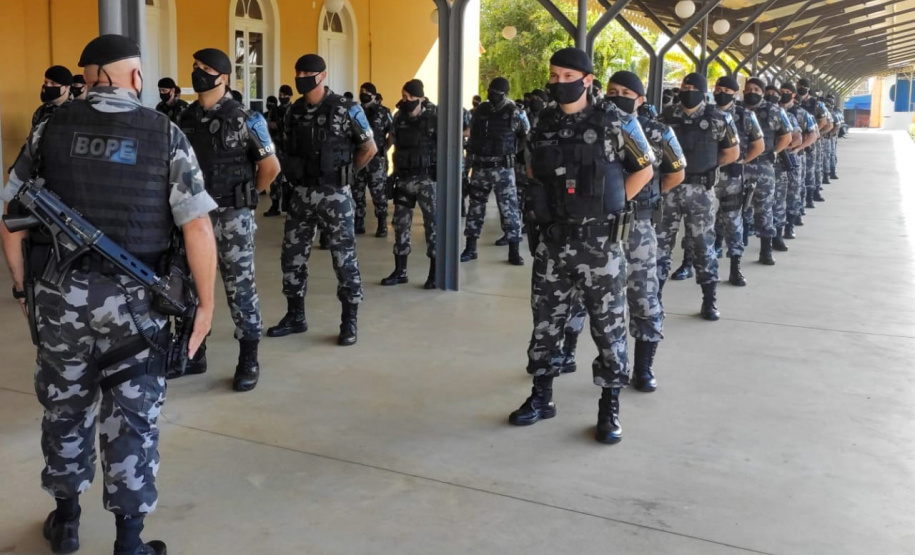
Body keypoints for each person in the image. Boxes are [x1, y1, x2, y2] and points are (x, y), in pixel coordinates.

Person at [1, 34, 218, 555]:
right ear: (134, 77)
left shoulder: (50, 127)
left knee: (64, 408)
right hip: (136, 307)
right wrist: (206, 308)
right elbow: (197, 230)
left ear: (87, 76)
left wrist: (22, 288)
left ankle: (67, 522)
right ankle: (130, 542)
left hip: (60, 299)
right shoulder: (164, 133)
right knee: (132, 418)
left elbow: (10, 222)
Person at [509, 48, 653, 445]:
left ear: (587, 79)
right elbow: (531, 170)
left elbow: (645, 167)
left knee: (608, 331)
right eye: (553, 75)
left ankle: (609, 407)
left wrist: (609, 205)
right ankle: (541, 397)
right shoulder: (543, 121)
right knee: (545, 325)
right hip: (554, 245)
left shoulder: (616, 119)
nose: (557, 82)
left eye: (566, 75)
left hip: (601, 247)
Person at [555, 71, 684, 392]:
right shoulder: (590, 127)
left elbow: (675, 175)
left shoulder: (658, 132)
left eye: (626, 91)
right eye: (612, 90)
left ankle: (643, 368)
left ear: (640, 99)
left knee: (642, 295)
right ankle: (568, 353)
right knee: (580, 294)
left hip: (637, 225)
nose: (617, 96)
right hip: (596, 227)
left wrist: (634, 199)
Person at [178, 48, 280, 391]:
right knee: (190, 286)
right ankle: (195, 352)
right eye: (195, 67)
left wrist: (248, 198)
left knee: (239, 287)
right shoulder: (184, 117)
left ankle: (248, 358)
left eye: (205, 68)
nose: (198, 73)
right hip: (194, 217)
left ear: (223, 77)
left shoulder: (246, 118)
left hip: (233, 215)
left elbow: (270, 168)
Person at [267, 53, 376, 346]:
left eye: (307, 72)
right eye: (298, 71)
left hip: (335, 195)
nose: (301, 76)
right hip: (302, 194)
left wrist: (346, 173)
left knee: (344, 258)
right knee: (292, 256)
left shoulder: (346, 108)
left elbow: (369, 148)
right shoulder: (293, 111)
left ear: (322, 75)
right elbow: (287, 148)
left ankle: (349, 320)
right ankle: (295, 316)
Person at [657, 73, 740, 321]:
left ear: (703, 91)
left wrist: (707, 167)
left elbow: (732, 152)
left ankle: (709, 300)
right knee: (660, 246)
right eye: (685, 86)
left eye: (693, 87)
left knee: (704, 246)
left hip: (701, 191)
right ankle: (655, 300)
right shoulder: (667, 116)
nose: (688, 90)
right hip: (669, 189)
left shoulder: (719, 118)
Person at [679, 76, 764, 287]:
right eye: (718, 88)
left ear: (735, 93)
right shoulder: (704, 112)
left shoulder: (745, 115)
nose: (721, 92)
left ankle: (735, 268)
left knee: (732, 221)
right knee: (694, 224)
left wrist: (742, 161)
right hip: (702, 176)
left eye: (727, 89)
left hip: (730, 175)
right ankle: (687, 263)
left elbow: (758, 145)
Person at [462, 77, 530, 265]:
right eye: (490, 89)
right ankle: (470, 248)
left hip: (503, 168)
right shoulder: (479, 111)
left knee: (510, 210)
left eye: (495, 91)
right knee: (475, 208)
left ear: (504, 93)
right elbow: (473, 142)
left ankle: (514, 250)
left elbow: (526, 137)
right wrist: (465, 171)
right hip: (480, 167)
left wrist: (512, 154)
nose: (491, 93)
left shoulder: (515, 112)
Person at [381, 79, 438, 290]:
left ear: (420, 97)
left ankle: (434, 273)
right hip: (403, 179)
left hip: (427, 180)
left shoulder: (435, 117)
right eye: (403, 96)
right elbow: (392, 142)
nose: (406, 101)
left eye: (410, 97)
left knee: (433, 226)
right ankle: (400, 271)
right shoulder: (399, 117)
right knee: (400, 225)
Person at [742, 79, 793, 266]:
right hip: (739, 165)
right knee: (734, 207)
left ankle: (766, 249)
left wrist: (774, 152)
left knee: (764, 208)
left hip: (763, 165)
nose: (751, 92)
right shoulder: (738, 110)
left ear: (762, 92)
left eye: (756, 89)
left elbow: (787, 136)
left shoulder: (775, 111)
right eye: (748, 89)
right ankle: (737, 243)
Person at [355, 82, 393, 237]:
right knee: (357, 191)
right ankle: (358, 222)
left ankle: (382, 223)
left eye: (366, 92)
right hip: (358, 158)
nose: (362, 93)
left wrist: (384, 149)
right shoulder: (354, 111)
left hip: (376, 160)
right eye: (361, 91)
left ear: (373, 94)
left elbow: (392, 133)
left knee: (378, 192)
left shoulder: (383, 112)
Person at [264, 85, 295, 217]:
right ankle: (275, 205)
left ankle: (291, 206)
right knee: (275, 179)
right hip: (276, 149)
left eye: (284, 95)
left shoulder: (294, 110)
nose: (281, 97)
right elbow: (268, 125)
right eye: (280, 95)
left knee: (291, 180)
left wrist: (280, 126)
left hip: (290, 151)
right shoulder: (274, 110)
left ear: (290, 95)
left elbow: (295, 127)